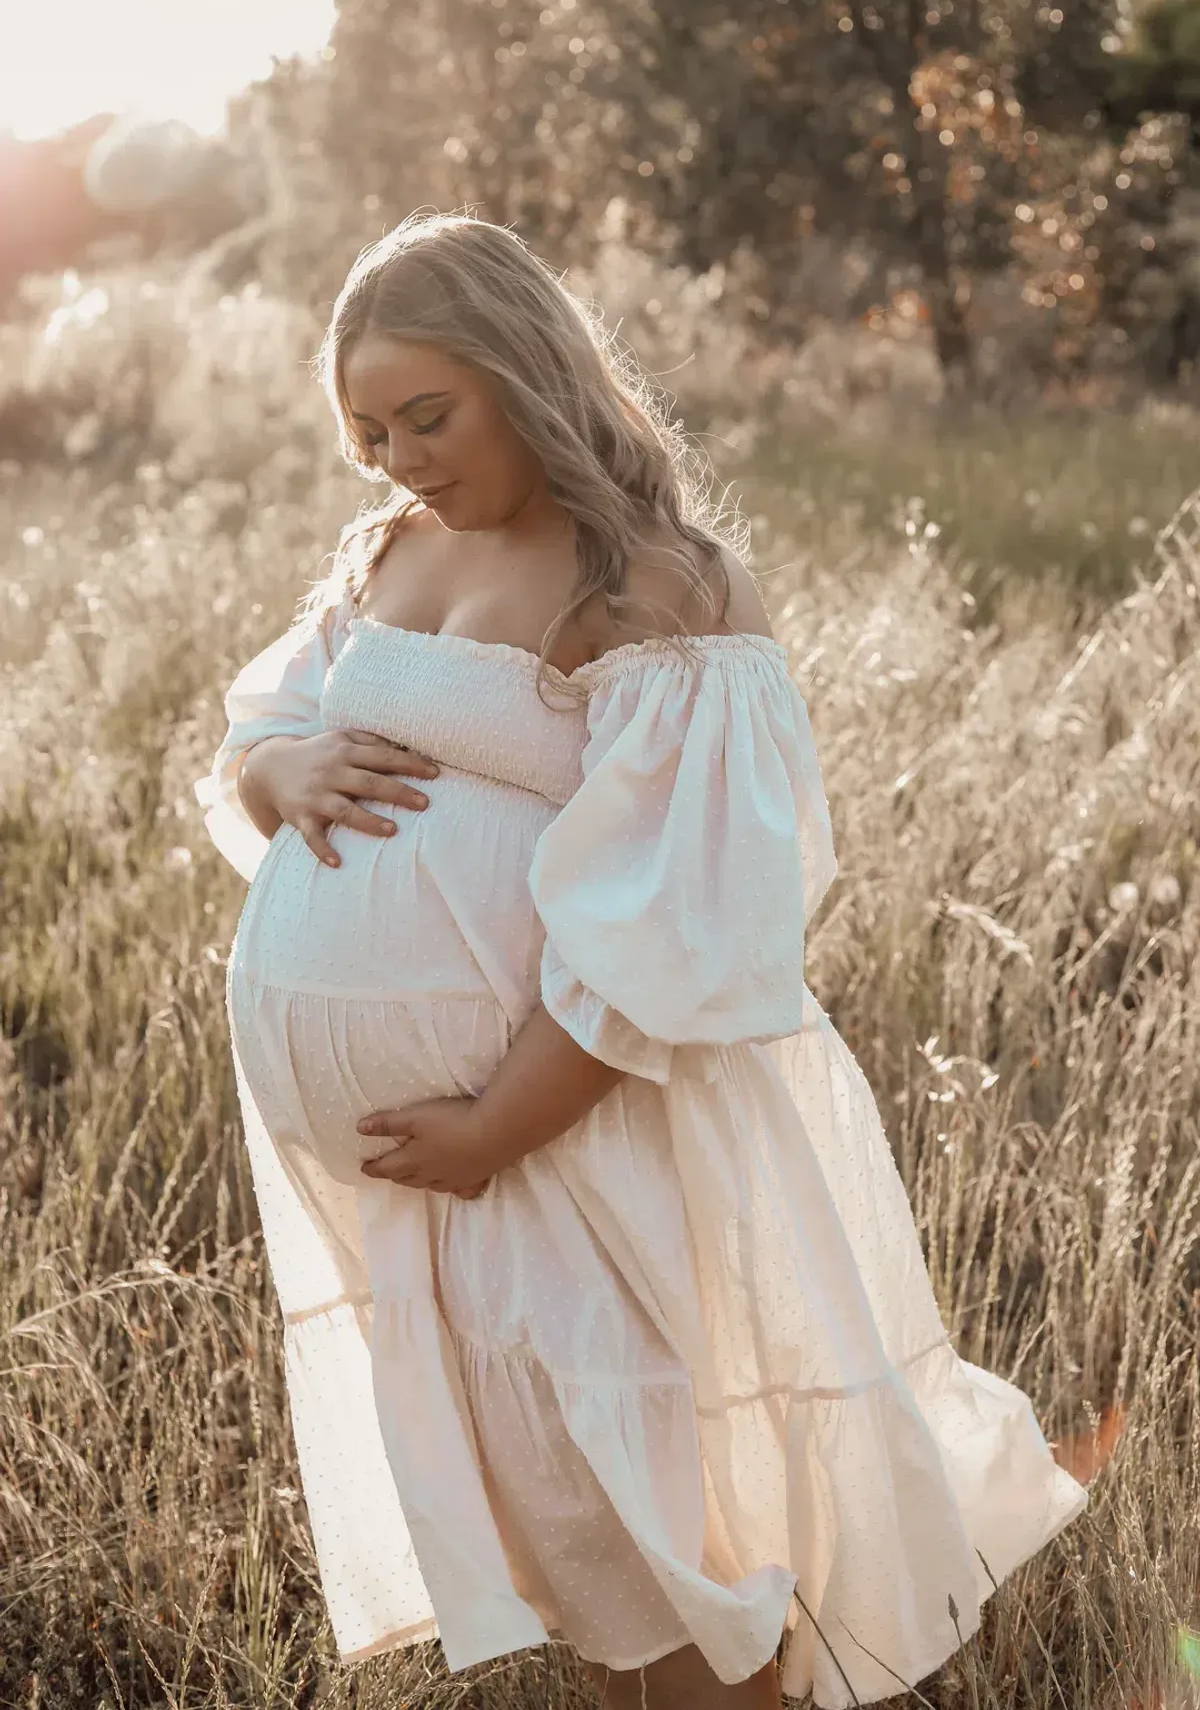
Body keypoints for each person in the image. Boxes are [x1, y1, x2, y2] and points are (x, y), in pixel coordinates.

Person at [193, 211, 1087, 1710]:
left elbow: (680, 919)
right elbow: (271, 715)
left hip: (584, 1135)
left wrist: (498, 1124)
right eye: (369, 429)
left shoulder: (649, 586)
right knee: (576, 1531)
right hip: (447, 1189)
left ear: (526, 370)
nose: (403, 457)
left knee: (672, 1522)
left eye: (431, 414)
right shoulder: (392, 549)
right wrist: (282, 779)